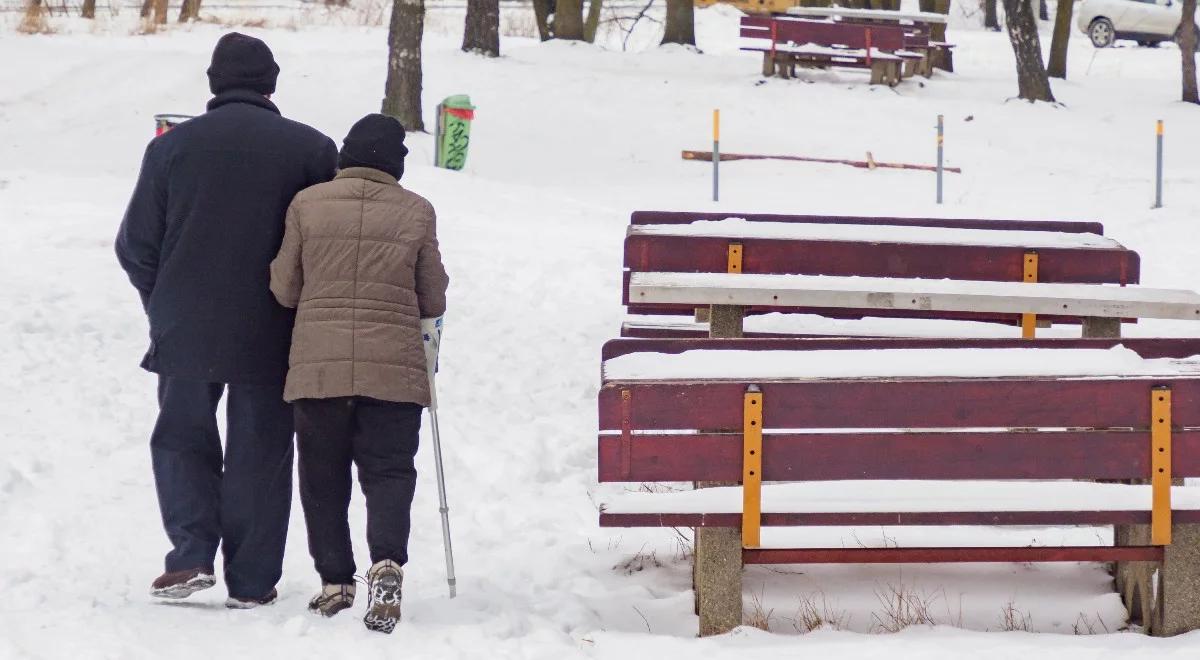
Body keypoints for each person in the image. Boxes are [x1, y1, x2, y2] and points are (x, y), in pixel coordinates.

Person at [115, 33, 338, 608]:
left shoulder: (170, 149)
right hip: (274, 325)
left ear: (213, 82)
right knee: (261, 449)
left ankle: (190, 554)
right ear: (272, 83)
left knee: (182, 436)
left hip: (184, 322)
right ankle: (252, 579)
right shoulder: (312, 150)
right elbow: (327, 246)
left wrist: (161, 298)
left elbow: (135, 244)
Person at [269, 114, 449, 634]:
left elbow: (285, 286)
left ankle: (335, 581)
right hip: (393, 370)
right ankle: (387, 563)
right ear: (397, 163)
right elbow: (432, 294)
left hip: (319, 365)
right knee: (389, 472)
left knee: (322, 474)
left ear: (345, 155)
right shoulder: (416, 211)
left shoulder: (307, 203)